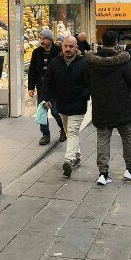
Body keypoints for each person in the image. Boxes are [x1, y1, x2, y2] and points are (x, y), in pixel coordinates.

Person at [84, 30, 131, 186]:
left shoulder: (92, 62)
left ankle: (103, 174)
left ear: (102, 42)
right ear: (116, 42)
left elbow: (86, 82)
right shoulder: (123, 62)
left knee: (103, 140)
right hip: (122, 106)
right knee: (127, 139)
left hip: (101, 107)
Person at [41, 35, 89, 179]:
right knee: (68, 131)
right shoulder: (55, 62)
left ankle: (68, 160)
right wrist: (46, 98)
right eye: (65, 46)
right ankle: (77, 154)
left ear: (76, 48)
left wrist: (84, 95)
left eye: (71, 46)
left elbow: (90, 83)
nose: (68, 49)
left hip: (78, 104)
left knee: (73, 131)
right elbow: (47, 80)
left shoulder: (84, 63)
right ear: (62, 46)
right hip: (62, 103)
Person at [27, 28, 64, 144]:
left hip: (55, 87)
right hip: (41, 87)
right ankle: (45, 135)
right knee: (42, 112)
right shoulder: (36, 52)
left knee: (55, 112)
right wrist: (31, 87)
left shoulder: (58, 51)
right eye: (40, 38)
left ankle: (63, 129)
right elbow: (32, 70)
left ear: (50, 39)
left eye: (44, 39)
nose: (42, 41)